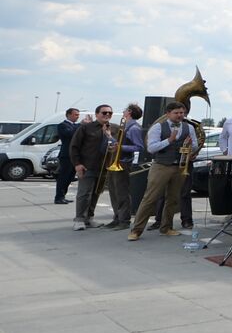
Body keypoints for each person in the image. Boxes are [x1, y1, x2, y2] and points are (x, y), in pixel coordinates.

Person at [128, 102, 197, 240]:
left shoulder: (189, 127)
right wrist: (169, 140)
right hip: (161, 166)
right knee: (150, 198)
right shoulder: (158, 127)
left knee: (173, 199)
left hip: (180, 166)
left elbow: (194, 145)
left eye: (181, 113)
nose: (179, 115)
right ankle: (136, 230)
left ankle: (166, 227)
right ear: (168, 114)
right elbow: (151, 148)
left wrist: (190, 147)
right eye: (176, 113)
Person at [69, 105, 117, 230]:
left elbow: (116, 145)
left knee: (96, 193)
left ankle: (89, 218)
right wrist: (77, 164)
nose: (107, 115)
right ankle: (79, 219)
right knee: (84, 193)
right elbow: (74, 146)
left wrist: (111, 141)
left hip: (104, 167)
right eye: (104, 112)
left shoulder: (114, 128)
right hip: (87, 165)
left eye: (110, 113)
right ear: (97, 114)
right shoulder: (86, 128)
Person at [102, 103, 144, 230]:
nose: (123, 112)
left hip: (123, 162)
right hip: (116, 160)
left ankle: (124, 220)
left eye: (125, 110)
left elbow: (139, 147)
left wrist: (120, 146)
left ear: (129, 112)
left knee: (122, 192)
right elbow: (118, 143)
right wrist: (109, 137)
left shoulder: (134, 128)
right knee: (114, 192)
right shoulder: (126, 126)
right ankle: (117, 218)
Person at [53, 107, 80, 204]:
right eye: (76, 114)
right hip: (66, 155)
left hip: (74, 156)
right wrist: (81, 125)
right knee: (63, 177)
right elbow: (71, 133)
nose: (78, 117)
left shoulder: (76, 125)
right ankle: (58, 197)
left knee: (70, 177)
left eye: (78, 115)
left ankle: (63, 195)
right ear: (69, 115)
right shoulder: (62, 125)